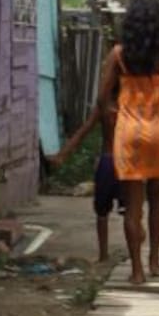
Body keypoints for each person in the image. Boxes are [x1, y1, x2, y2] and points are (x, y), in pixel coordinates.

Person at [98, 0, 159, 286]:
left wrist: (118, 110)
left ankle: (136, 270)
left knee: (133, 204)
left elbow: (102, 99)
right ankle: (155, 260)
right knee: (157, 196)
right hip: (158, 131)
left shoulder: (119, 54)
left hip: (128, 133)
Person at [48, 100, 119, 264]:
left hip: (110, 160)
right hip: (125, 162)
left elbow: (83, 131)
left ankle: (104, 255)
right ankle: (129, 257)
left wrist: (62, 155)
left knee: (103, 212)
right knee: (129, 211)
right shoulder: (131, 104)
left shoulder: (105, 106)